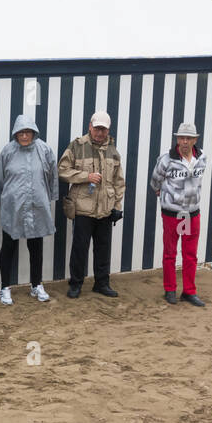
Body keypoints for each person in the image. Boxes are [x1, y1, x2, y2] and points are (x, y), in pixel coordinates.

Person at [58, 112, 126, 298]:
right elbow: (62, 171)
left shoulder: (113, 150)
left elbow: (119, 182)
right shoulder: (76, 146)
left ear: (108, 130)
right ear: (90, 126)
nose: (99, 132)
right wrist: (85, 177)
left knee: (103, 248)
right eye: (96, 128)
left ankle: (102, 283)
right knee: (80, 248)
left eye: (103, 129)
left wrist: (117, 206)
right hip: (83, 208)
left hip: (105, 209)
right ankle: (76, 284)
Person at [0, 114, 57, 305]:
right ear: (15, 133)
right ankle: (4, 287)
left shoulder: (44, 150)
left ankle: (36, 285)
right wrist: (0, 202)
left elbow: (52, 176)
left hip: (37, 206)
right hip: (13, 207)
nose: (24, 136)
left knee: (36, 246)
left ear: (34, 132)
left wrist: (50, 198)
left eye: (28, 132)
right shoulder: (8, 151)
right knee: (9, 246)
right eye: (21, 132)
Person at [149, 122, 208, 307]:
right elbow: (155, 182)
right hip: (172, 214)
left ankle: (189, 291)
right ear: (177, 139)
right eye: (181, 137)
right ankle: (170, 289)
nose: (184, 141)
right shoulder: (166, 159)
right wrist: (167, 198)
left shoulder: (202, 157)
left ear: (195, 140)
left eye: (188, 138)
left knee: (190, 254)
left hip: (192, 213)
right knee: (170, 253)